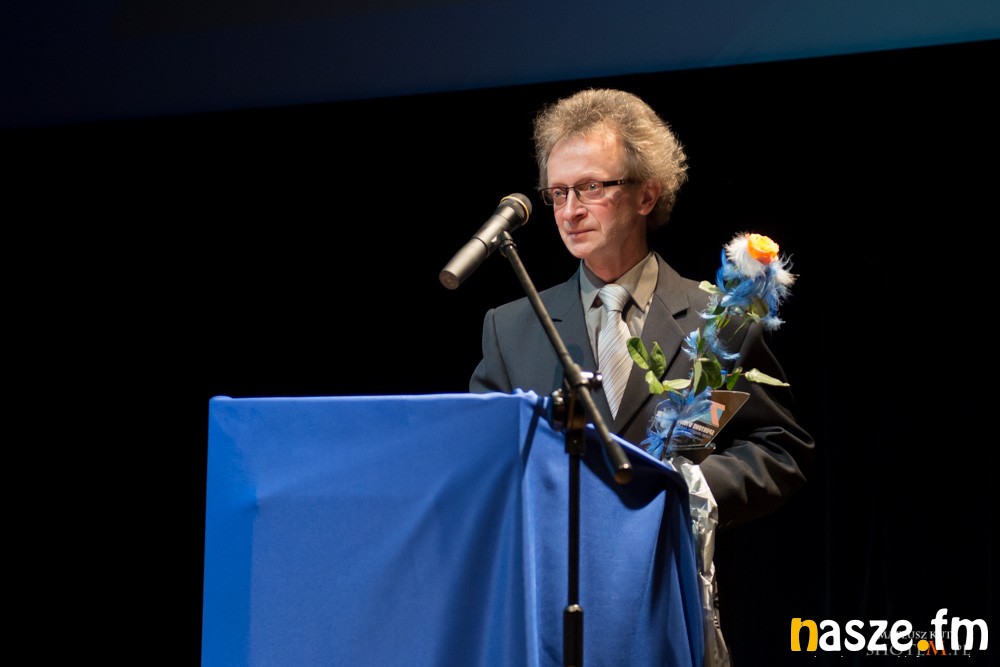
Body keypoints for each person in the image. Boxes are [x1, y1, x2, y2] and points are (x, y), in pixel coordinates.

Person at [469, 86, 814, 533]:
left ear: (646, 196)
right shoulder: (511, 328)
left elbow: (779, 449)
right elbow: (482, 459)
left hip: (671, 561)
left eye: (590, 188)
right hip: (554, 565)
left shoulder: (721, 319)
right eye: (558, 192)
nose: (570, 212)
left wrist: (687, 488)